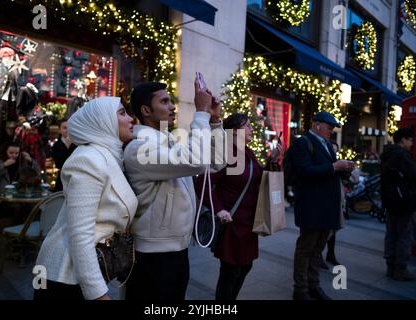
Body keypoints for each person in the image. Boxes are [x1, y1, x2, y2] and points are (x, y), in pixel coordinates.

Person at [123, 79, 225, 301]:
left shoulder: (167, 141)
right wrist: (201, 113)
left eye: (171, 101)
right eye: (165, 101)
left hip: (177, 251)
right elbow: (198, 160)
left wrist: (215, 120)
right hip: (152, 257)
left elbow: (216, 162)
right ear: (146, 110)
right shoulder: (139, 148)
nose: (172, 107)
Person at [34, 97, 138, 300]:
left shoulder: (110, 156)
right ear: (103, 121)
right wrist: (98, 294)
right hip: (64, 275)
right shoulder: (88, 159)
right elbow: (80, 234)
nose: (131, 119)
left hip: (81, 271)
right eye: (122, 113)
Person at [194, 113, 282, 301]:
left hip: (248, 222)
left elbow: (257, 178)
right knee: (230, 271)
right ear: (234, 131)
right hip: (232, 223)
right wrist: (218, 209)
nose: (251, 129)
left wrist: (272, 161)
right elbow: (202, 182)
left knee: (245, 266)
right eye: (247, 126)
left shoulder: (247, 151)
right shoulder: (226, 152)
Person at [291, 111, 355, 300]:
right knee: (306, 248)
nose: (331, 132)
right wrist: (335, 167)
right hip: (311, 206)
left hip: (327, 206)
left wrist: (344, 169)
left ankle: (314, 285)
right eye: (329, 127)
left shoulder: (327, 145)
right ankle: (300, 290)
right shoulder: (302, 143)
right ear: (317, 125)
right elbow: (305, 171)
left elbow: (330, 170)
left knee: (318, 249)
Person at [380, 128, 416, 281]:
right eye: (410, 139)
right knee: (404, 236)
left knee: (391, 234)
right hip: (403, 203)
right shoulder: (402, 156)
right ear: (402, 140)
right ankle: (400, 269)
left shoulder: (387, 154)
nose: (412, 143)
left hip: (390, 202)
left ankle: (390, 266)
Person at [0, 141, 39, 224]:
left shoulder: (21, 163)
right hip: (1, 199)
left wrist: (31, 160)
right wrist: (4, 165)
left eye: (16, 153)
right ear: (5, 152)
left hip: (18, 197)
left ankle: (25, 230)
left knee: (33, 207)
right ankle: (14, 230)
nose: (14, 155)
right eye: (11, 153)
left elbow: (36, 174)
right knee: (17, 208)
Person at [320, 140, 343, 270]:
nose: (334, 152)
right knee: (323, 232)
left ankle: (331, 253)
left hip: (336, 200)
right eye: (332, 150)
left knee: (333, 230)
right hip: (324, 202)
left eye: (336, 150)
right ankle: (318, 256)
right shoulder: (325, 164)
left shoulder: (338, 164)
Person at [51, 118, 76, 191]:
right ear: (59, 130)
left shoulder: (76, 144)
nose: (67, 130)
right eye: (64, 128)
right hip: (62, 178)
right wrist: (67, 147)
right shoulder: (56, 145)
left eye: (69, 127)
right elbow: (59, 164)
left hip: (75, 178)